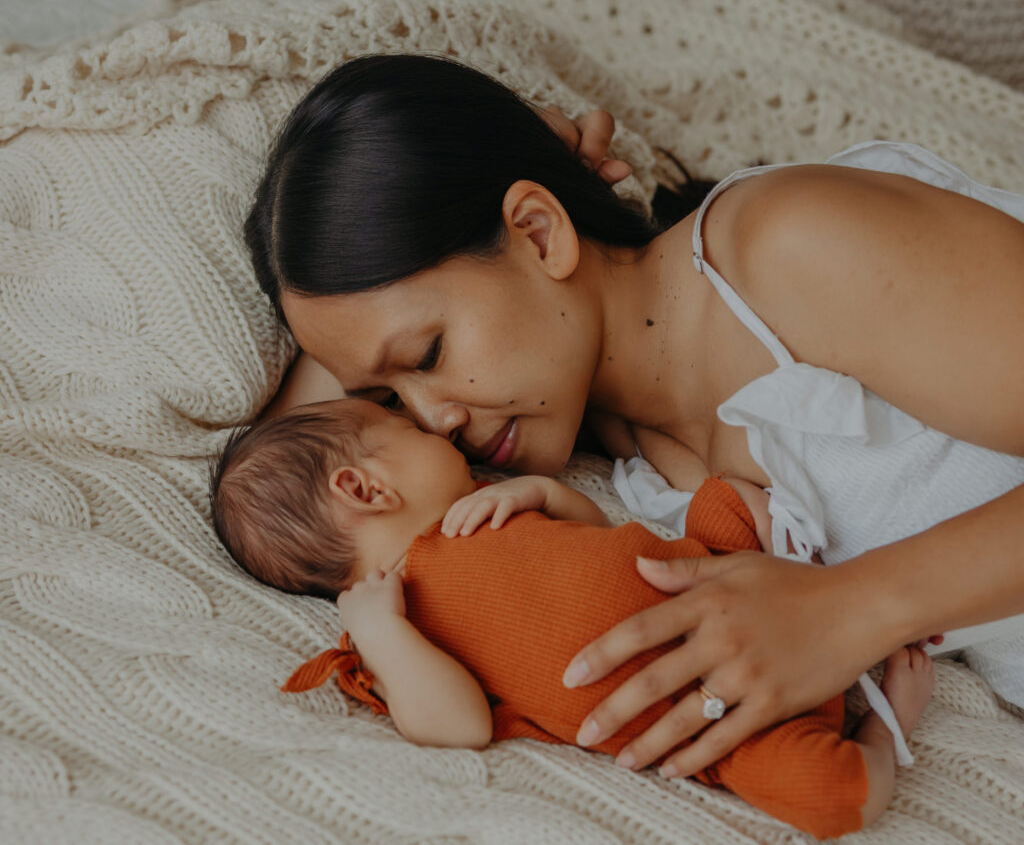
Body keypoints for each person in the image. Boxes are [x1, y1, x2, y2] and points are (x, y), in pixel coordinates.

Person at [243, 52, 1024, 780]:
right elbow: (286, 479)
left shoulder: (790, 246)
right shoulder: (614, 456)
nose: (432, 420)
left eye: (427, 354)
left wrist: (855, 607)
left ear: (539, 233)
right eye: (390, 400)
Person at [210, 397, 934, 839]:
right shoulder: (389, 622)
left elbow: (594, 536)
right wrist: (380, 632)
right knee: (838, 798)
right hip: (720, 721)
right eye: (406, 429)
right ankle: (881, 726)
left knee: (735, 495)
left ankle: (829, 592)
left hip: (720, 572)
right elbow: (457, 724)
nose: (439, 428)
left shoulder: (481, 509)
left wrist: (543, 498)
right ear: (364, 486)